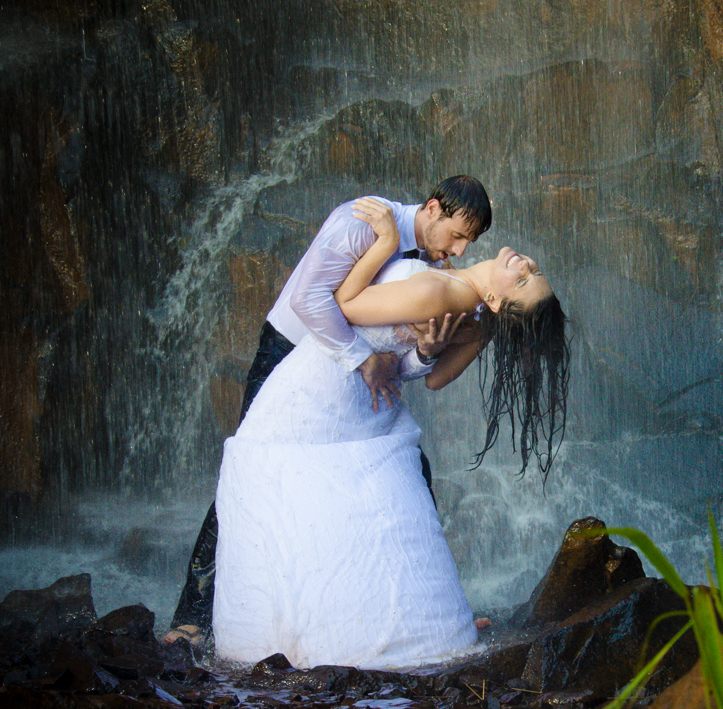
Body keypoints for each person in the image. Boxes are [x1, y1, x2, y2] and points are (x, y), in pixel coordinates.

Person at [212, 198, 569, 669]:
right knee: (356, 509)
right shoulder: (478, 316)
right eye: (532, 268)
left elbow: (346, 304)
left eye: (522, 279)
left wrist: (383, 244)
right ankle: (360, 633)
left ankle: (304, 636)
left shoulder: (445, 295)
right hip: (360, 396)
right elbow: (436, 377)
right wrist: (425, 350)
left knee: (315, 505)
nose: (523, 263)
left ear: (501, 302)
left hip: (327, 391)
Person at [166, 176, 492, 645]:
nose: (460, 250)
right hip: (292, 354)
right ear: (433, 208)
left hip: (355, 373)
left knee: (407, 464)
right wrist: (364, 357)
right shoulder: (360, 223)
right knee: (250, 471)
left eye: (470, 242)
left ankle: (436, 614)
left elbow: (397, 363)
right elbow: (308, 299)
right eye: (458, 235)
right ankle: (192, 618)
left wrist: (424, 351)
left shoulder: (428, 263)